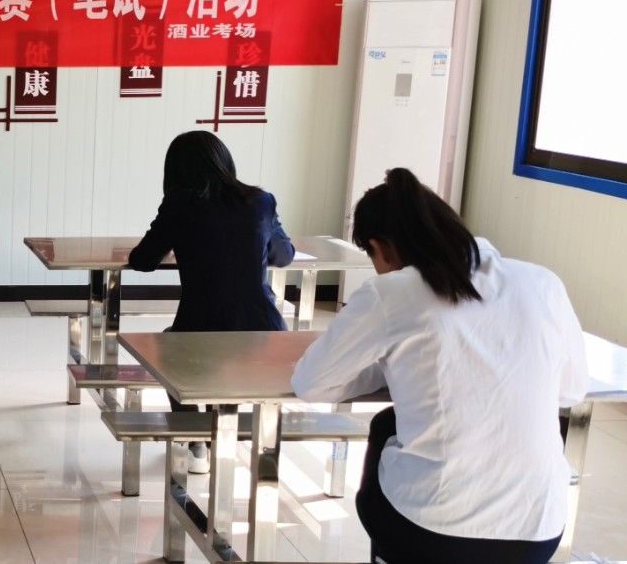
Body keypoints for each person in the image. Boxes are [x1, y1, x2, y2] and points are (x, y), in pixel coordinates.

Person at [293, 168, 587, 564]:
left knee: (386, 425)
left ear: (380, 248)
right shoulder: (543, 282)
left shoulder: (390, 292)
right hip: (539, 534)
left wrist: (393, 368)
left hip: (432, 536)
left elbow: (311, 383)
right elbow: (571, 390)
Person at [127, 130, 295, 473]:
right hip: (264, 332)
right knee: (227, 358)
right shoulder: (261, 201)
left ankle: (197, 444)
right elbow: (285, 255)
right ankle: (230, 438)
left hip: (199, 329)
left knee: (168, 348)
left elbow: (142, 260)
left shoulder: (179, 204)